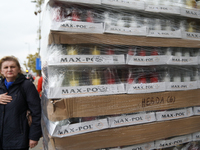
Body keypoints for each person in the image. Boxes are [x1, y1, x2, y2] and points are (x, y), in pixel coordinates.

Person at [0, 56, 42, 150]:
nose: (9, 69)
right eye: (6, 67)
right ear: (1, 71)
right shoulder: (0, 86)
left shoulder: (26, 85)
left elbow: (37, 112)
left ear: (19, 69)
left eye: (12, 67)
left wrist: (34, 136)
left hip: (18, 140)